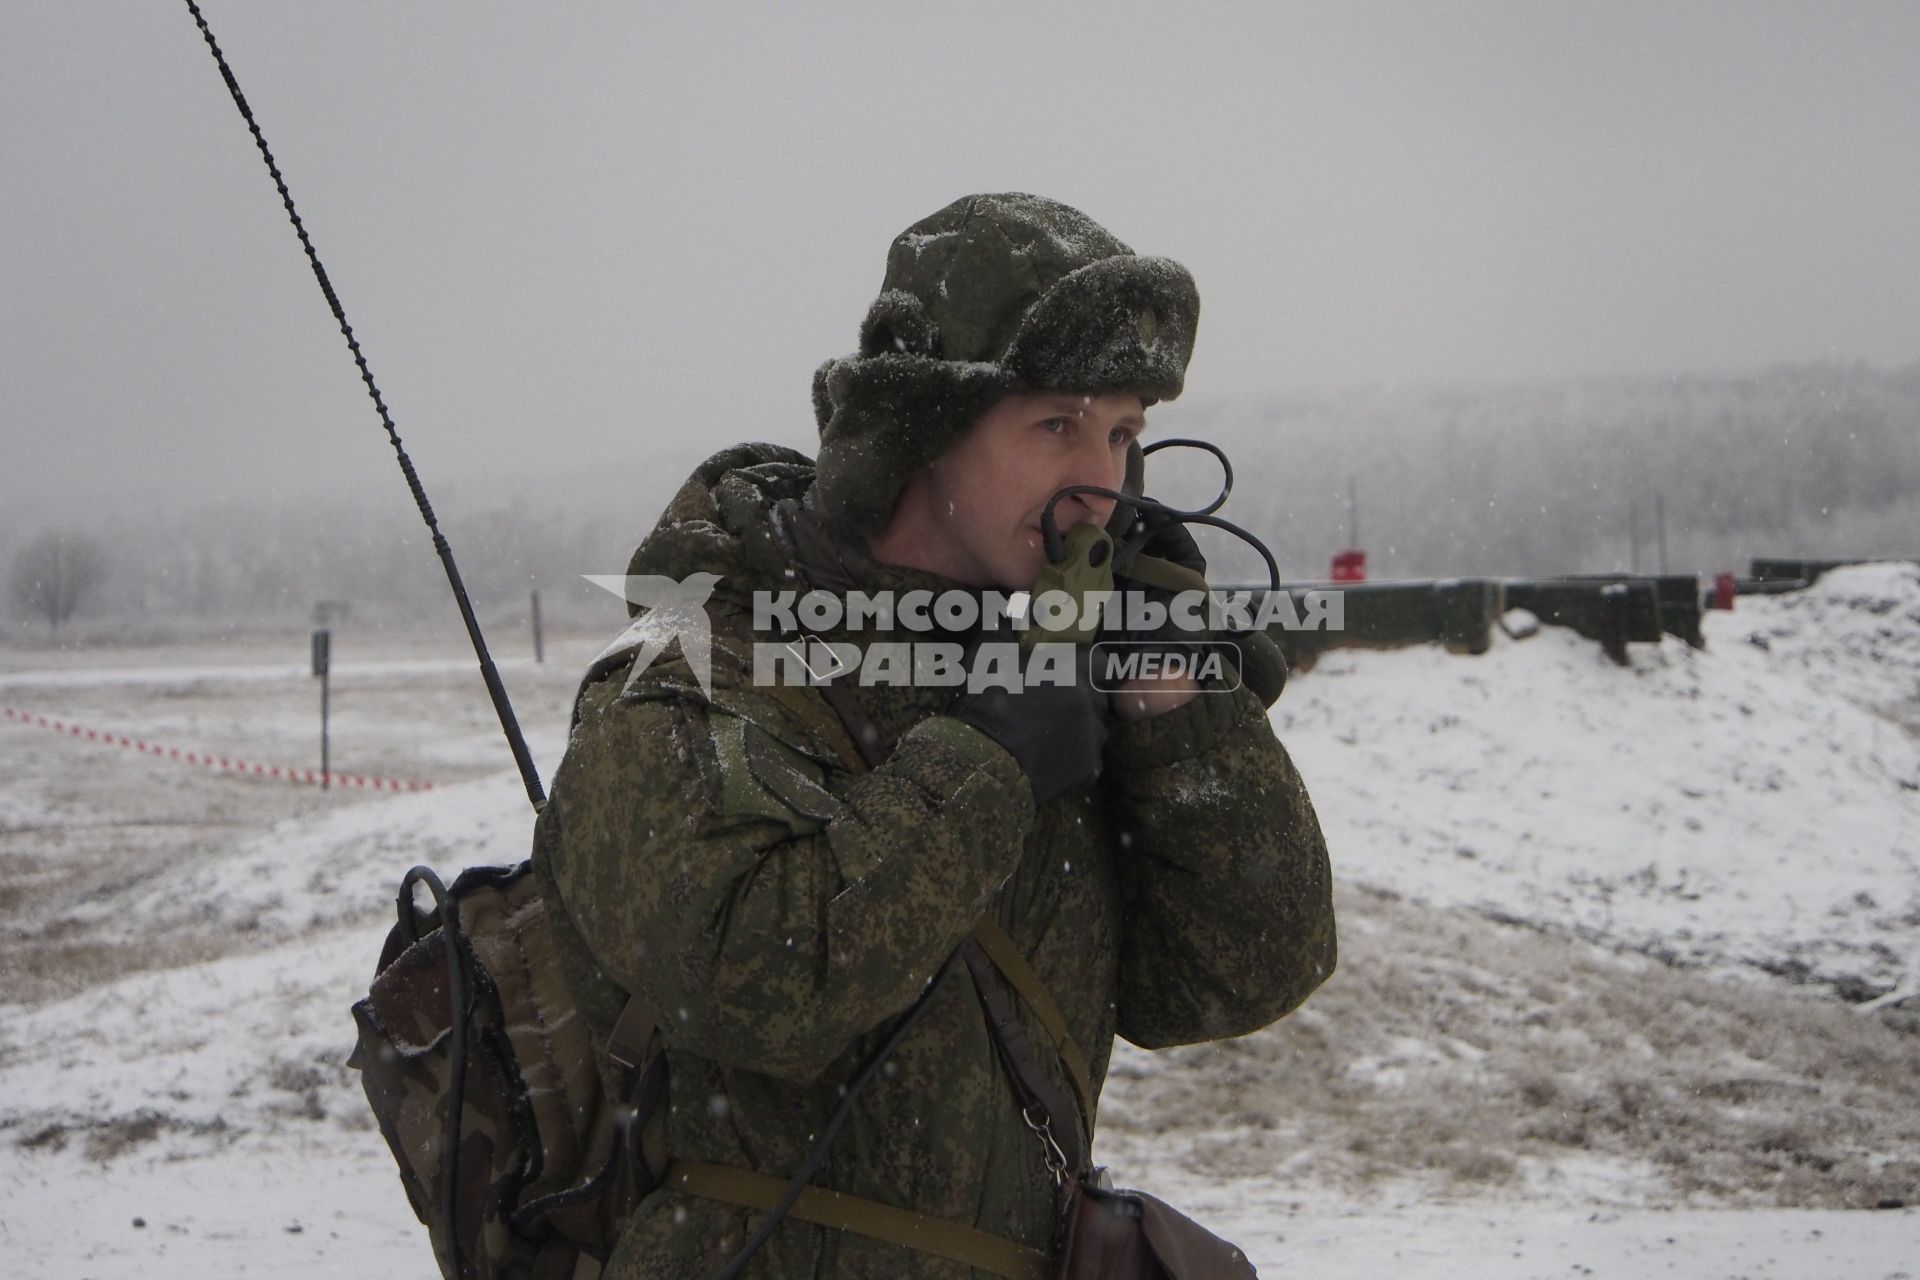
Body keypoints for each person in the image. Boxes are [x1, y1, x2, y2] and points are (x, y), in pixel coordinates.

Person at [531, 192, 1335, 1279]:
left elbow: (1243, 968)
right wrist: (983, 764)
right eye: (1057, 425)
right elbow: (754, 984)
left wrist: (1179, 704)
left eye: (1125, 432)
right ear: (918, 429)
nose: (1101, 484)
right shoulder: (700, 669)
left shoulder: (1052, 664)